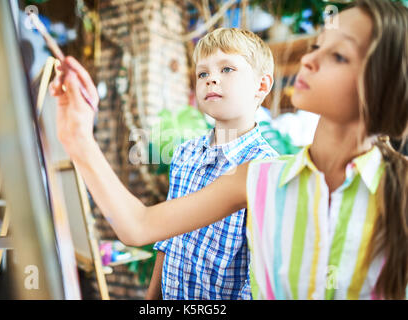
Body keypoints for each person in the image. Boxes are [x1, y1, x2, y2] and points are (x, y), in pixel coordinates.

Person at [51, 0, 407, 300]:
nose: (308, 60)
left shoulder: (398, 188)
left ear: (383, 80)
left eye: (340, 55)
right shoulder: (261, 178)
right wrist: (77, 134)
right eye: (316, 47)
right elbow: (142, 227)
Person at [146, 28, 277, 300]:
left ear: (261, 86)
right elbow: (168, 238)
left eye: (227, 69)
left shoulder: (265, 169)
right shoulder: (184, 154)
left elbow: (258, 281)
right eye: (203, 73)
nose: (211, 79)